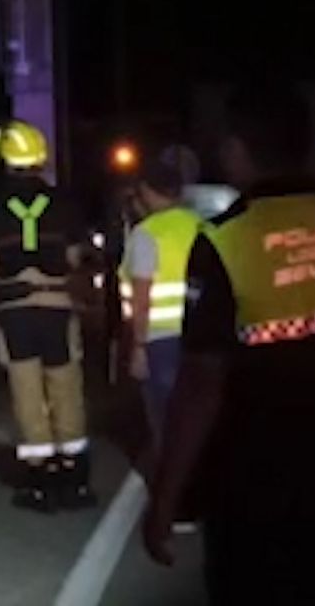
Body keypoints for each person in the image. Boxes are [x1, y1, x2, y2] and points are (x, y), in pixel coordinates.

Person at [143, 85, 315, 606]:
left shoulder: (227, 239)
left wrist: (166, 500)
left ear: (236, 149)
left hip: (257, 471)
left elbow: (201, 386)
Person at [0, 120, 95, 511]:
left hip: (16, 312)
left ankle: (39, 477)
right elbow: (75, 258)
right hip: (57, 307)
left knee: (26, 390)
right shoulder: (66, 205)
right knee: (65, 386)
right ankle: (73, 473)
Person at [119, 146, 203, 462]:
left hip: (159, 340)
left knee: (165, 421)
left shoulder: (147, 234)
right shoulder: (201, 226)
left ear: (147, 193)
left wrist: (138, 347)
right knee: (195, 418)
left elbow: (143, 291)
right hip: (199, 337)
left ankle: (171, 489)